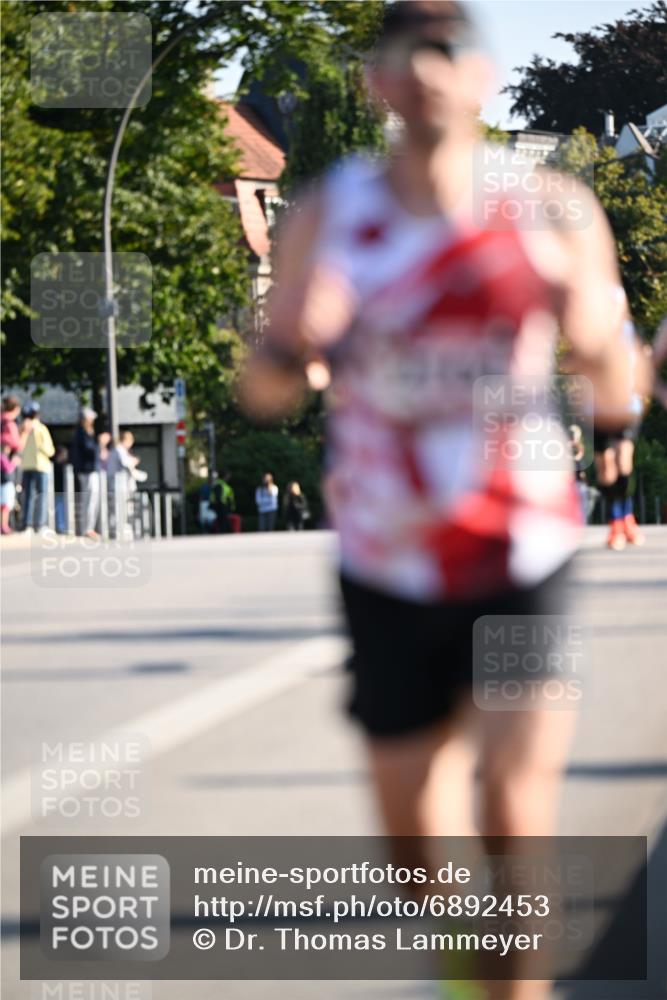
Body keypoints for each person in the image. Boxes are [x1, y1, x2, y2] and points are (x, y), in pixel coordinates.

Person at [240, 3, 648, 996]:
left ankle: (516, 989)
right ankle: (475, 972)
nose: (425, 69)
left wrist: (594, 335)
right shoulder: (324, 218)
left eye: (447, 51)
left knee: (513, 809)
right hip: (388, 555)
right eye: (402, 53)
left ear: (479, 80)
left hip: (520, 552)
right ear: (374, 82)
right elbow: (261, 395)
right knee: (417, 847)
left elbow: (613, 381)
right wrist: (293, 340)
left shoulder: (551, 210)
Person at [592, 314, 646, 550]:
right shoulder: (588, 331)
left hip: (625, 406)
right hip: (597, 408)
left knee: (624, 461)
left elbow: (645, 363)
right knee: (605, 469)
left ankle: (624, 519)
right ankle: (616, 520)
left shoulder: (630, 332)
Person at [19, 402, 55, 533]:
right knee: (41, 496)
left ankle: (27, 525)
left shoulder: (21, 428)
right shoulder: (41, 429)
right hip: (41, 466)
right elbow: (50, 450)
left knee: (28, 496)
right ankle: (39, 525)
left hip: (26, 466)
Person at [107, 430, 147, 538]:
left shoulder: (119, 450)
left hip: (121, 485)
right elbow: (125, 463)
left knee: (123, 508)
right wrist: (134, 461)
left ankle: (121, 529)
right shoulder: (119, 450)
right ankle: (119, 530)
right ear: (126, 440)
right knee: (120, 508)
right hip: (118, 486)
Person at [70, 407, 101, 539]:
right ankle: (87, 529)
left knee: (91, 499)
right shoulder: (83, 433)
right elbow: (89, 450)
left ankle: (88, 528)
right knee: (89, 499)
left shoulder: (84, 432)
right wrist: (100, 444)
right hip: (87, 471)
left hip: (87, 470)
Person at [1, 396, 29, 534]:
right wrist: (24, 433)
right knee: (6, 495)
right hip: (6, 464)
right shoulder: (9, 423)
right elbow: (17, 445)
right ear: (16, 409)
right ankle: (4, 525)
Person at [1, 440, 19, 534]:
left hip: (5, 485)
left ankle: (4, 526)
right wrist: (14, 462)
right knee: (5, 507)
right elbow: (8, 469)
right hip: (4, 485)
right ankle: (4, 526)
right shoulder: (2, 457)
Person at [53, 446, 69, 533]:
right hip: (58, 491)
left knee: (60, 509)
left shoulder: (60, 466)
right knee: (60, 509)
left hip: (61, 491)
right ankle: (61, 527)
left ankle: (61, 527)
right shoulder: (59, 466)